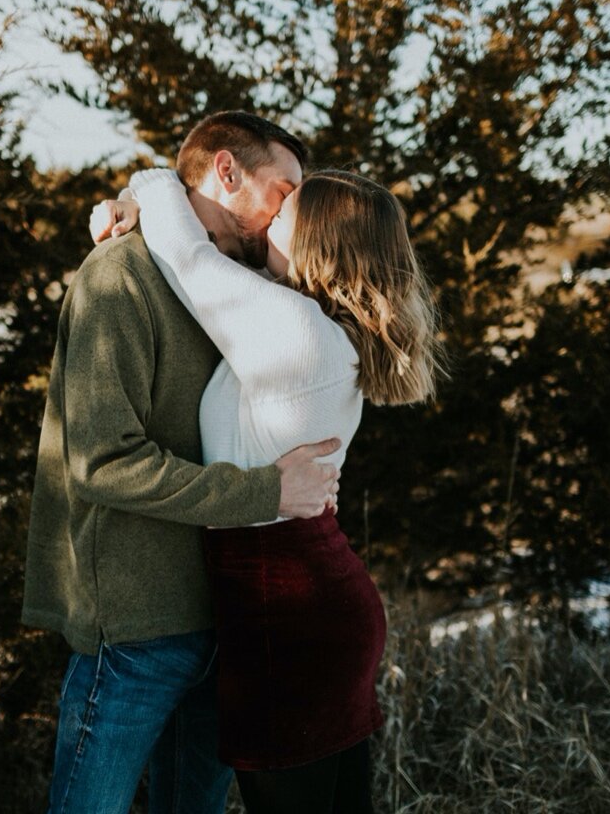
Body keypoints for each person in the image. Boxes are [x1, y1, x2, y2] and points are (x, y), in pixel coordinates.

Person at [94, 160, 444, 813]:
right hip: (307, 606)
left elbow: (188, 257)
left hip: (286, 619)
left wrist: (147, 181)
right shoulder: (312, 326)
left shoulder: (293, 328)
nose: (265, 222)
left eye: (283, 212)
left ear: (317, 240)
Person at [22, 111, 345, 814]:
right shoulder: (120, 276)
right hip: (138, 627)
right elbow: (103, 463)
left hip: (224, 624)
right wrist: (268, 491)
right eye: (283, 191)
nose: (293, 212)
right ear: (226, 171)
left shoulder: (241, 289)